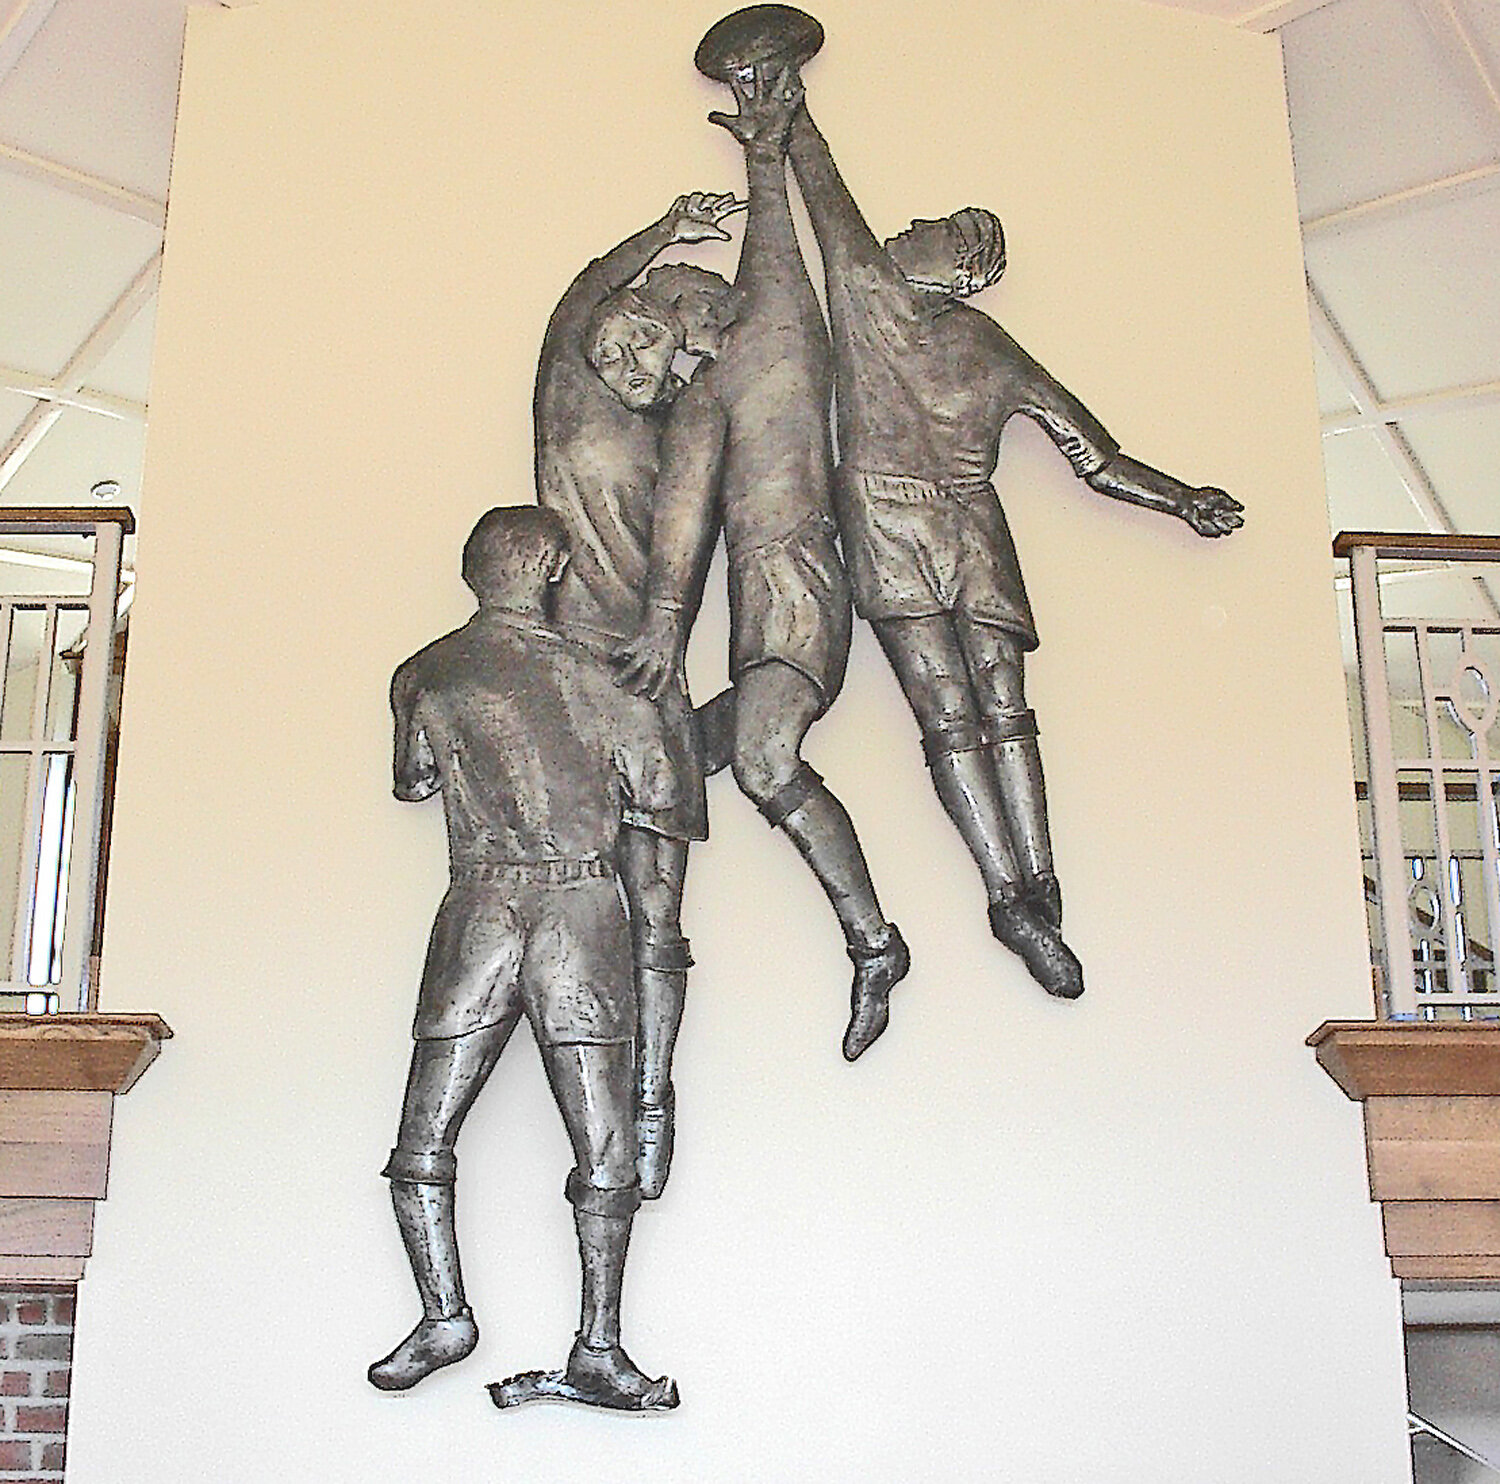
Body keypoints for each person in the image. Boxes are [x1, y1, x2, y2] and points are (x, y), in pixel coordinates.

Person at [775, 86, 1242, 1001]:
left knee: (956, 716)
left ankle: (1018, 894)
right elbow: (1099, 463)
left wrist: (786, 105)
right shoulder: (984, 340)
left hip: (899, 522)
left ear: (961, 264)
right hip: (959, 523)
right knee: (997, 710)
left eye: (936, 227)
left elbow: (826, 197)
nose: (908, 226)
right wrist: (1182, 499)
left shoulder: (875, 296)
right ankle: (1029, 890)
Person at [608, 65, 909, 1064]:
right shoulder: (769, 346)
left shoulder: (723, 378)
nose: (695, 288)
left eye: (669, 301)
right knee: (664, 769)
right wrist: (765, 148)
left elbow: (681, 538)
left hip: (791, 597)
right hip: (782, 605)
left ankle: (876, 941)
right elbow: (776, 254)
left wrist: (658, 627)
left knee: (769, 761)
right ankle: (644, 946)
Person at [368, 507, 678, 1411]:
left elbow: (413, 780)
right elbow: (661, 796)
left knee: (423, 1134)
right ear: (550, 564)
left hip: (480, 902)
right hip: (579, 906)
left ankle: (445, 1314)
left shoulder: (424, 671)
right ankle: (598, 1342)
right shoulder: (607, 676)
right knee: (603, 1140)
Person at [535, 190, 742, 1195]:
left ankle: (655, 1091)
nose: (697, 359)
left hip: (649, 673)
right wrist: (664, 228)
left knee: (658, 908)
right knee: (576, 904)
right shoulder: (568, 385)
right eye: (701, 327)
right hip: (567, 674)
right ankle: (604, 1110)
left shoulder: (686, 421)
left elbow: (688, 531)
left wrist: (666, 618)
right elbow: (583, 289)